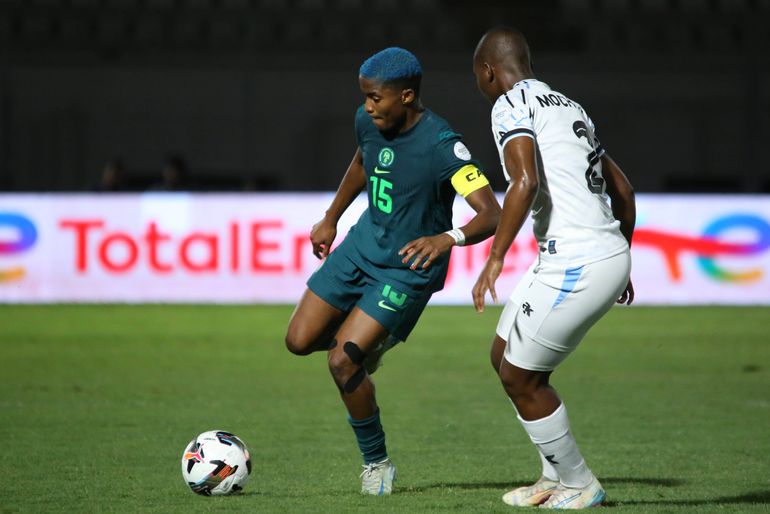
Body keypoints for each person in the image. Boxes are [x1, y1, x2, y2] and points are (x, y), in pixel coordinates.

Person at [285, 47, 501, 495]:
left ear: (406, 96)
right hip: (361, 248)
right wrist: (331, 217)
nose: (367, 106)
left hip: (407, 268)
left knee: (343, 362)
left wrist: (448, 239)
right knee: (297, 341)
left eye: (375, 98)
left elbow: (490, 214)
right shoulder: (369, 122)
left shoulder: (443, 145)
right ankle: (372, 340)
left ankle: (377, 463)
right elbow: (363, 162)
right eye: (364, 96)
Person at [471, 27, 636, 509]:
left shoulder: (509, 104)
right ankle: (554, 476)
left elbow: (524, 179)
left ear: (488, 71)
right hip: (586, 255)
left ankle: (581, 483)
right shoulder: (569, 106)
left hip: (578, 260)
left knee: (521, 377)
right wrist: (620, 256)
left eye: (476, 77)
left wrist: (496, 256)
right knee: (502, 357)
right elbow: (622, 190)